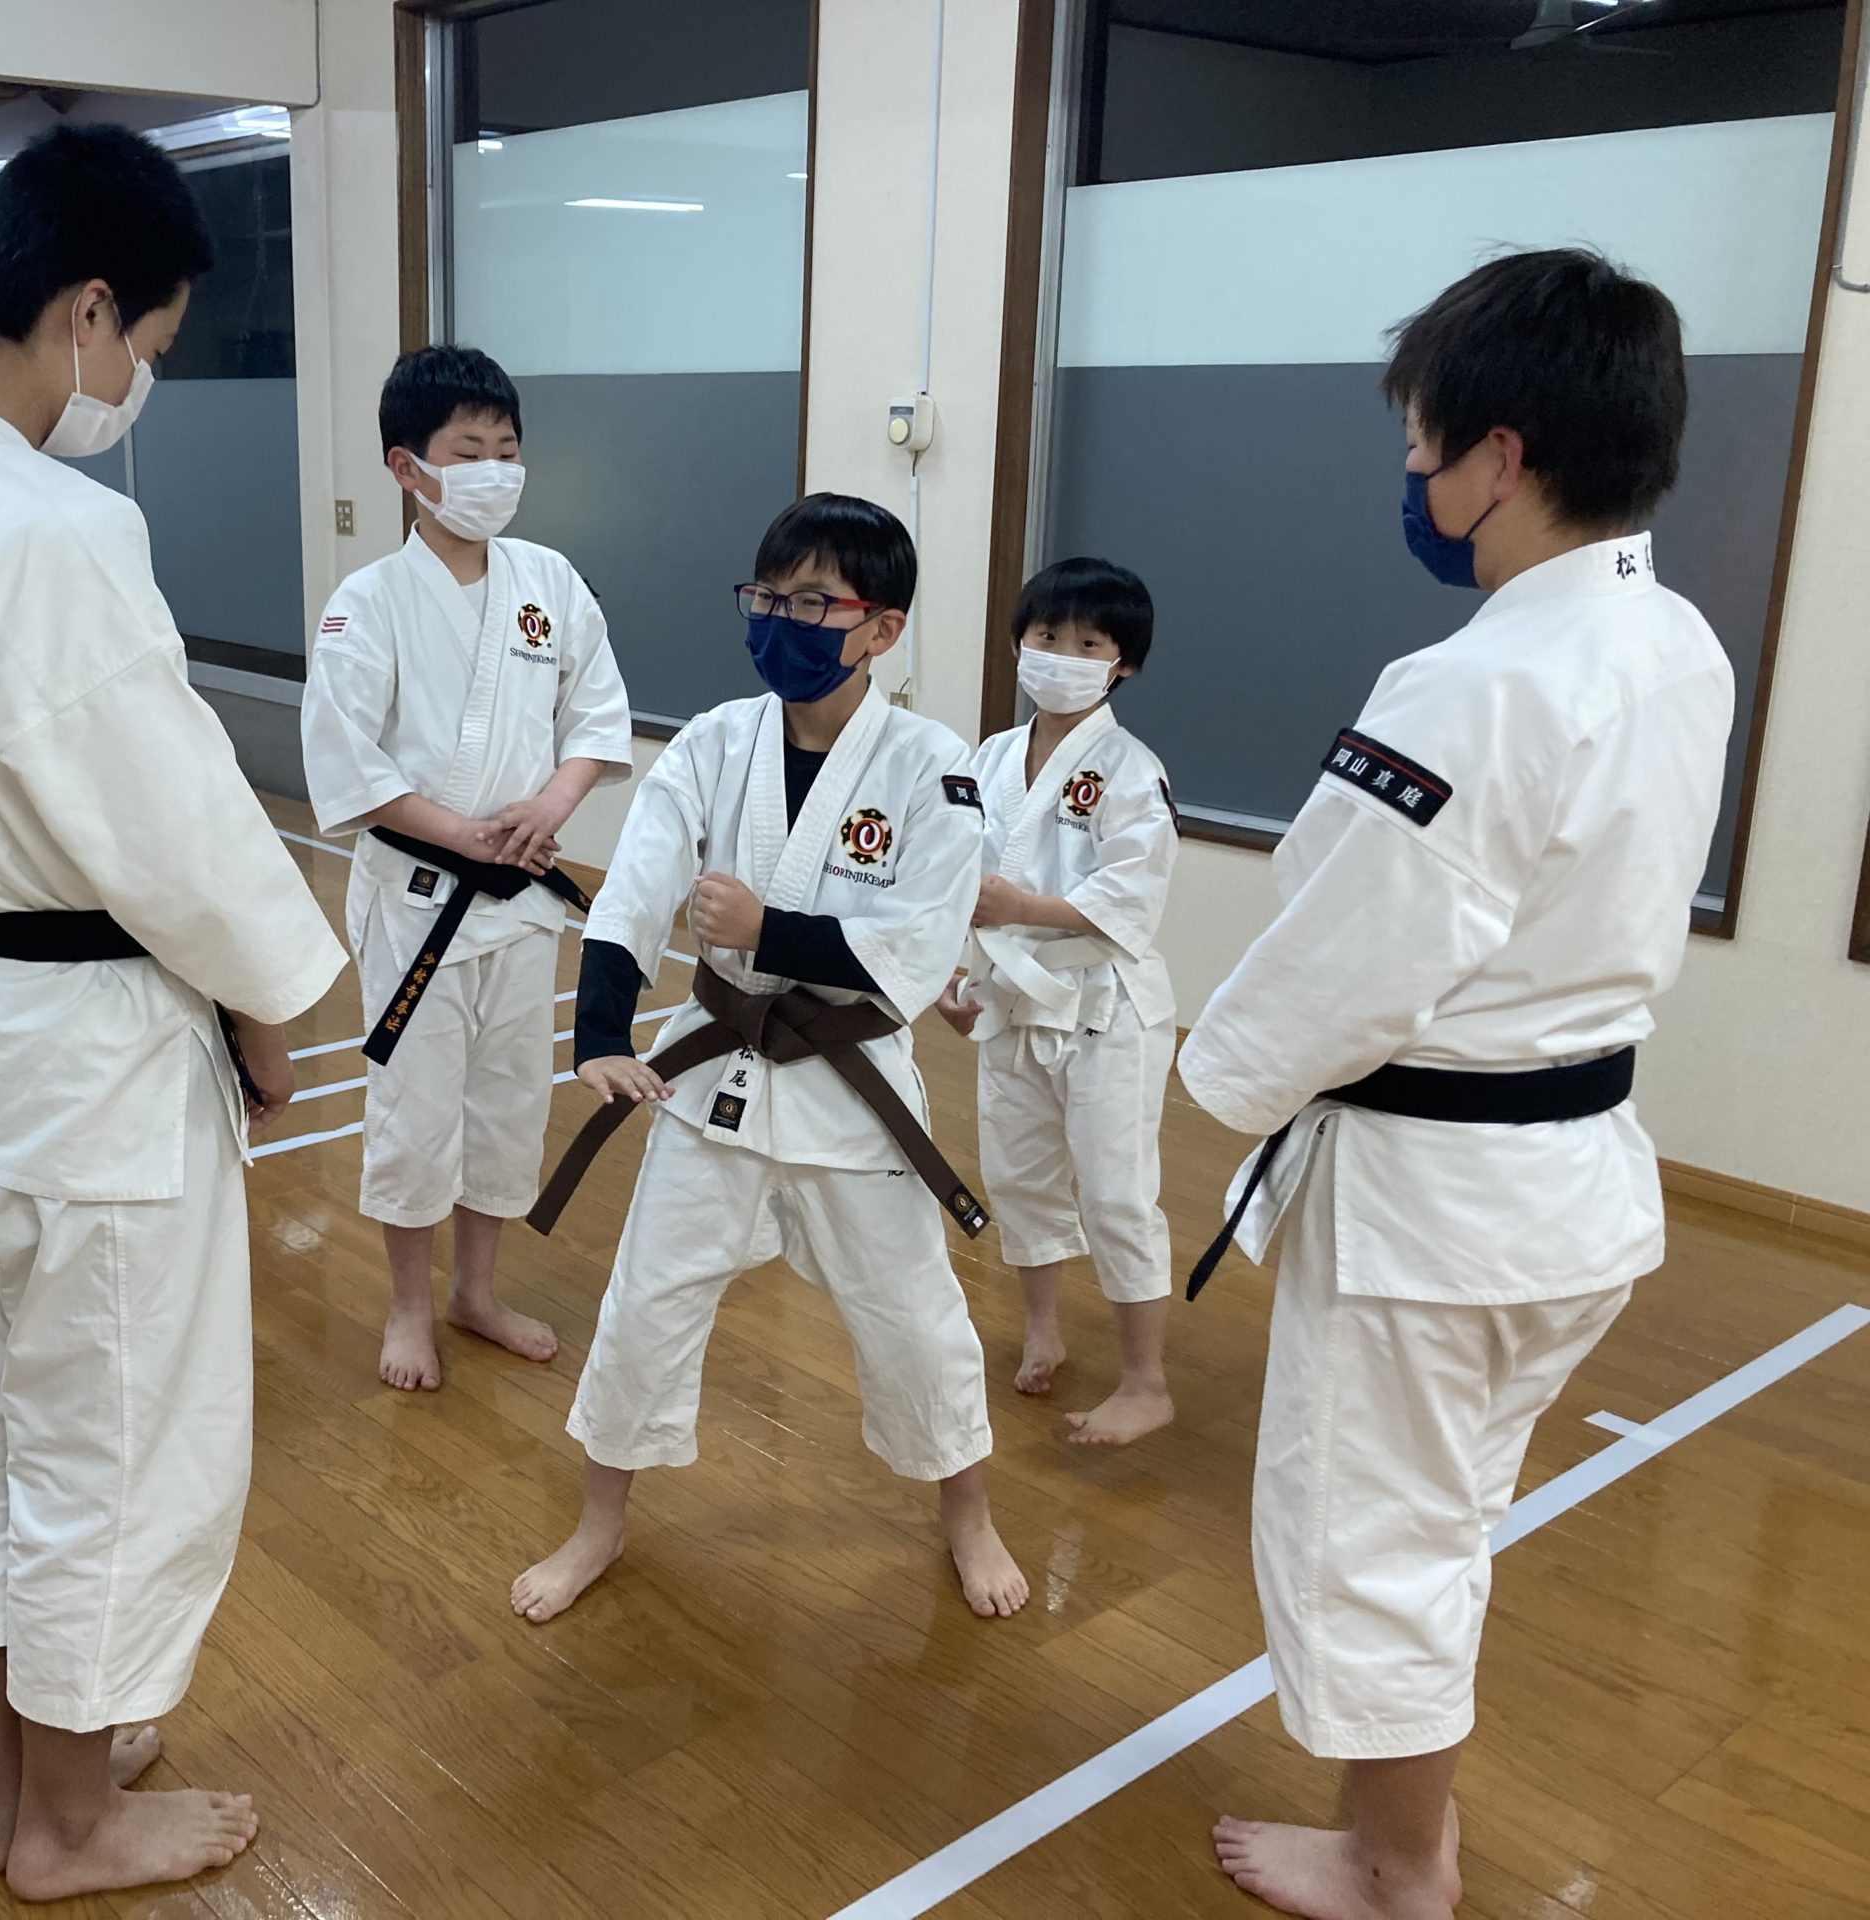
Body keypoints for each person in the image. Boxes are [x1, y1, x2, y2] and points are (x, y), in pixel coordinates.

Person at [0, 125, 346, 1903]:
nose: (140, 387)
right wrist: (272, 1003)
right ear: (90, 310)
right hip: (96, 1041)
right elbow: (165, 815)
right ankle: (67, 1825)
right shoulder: (54, 524)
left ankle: (8, 1794)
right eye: (154, 347)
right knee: (110, 1450)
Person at [1179, 249, 1731, 1919]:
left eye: (1421, 444)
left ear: (1502, 455)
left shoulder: (1474, 686)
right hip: (1569, 1191)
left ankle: (1398, 1864)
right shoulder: (1677, 640)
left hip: (1433, 1224)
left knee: (1372, 1543)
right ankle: (1405, 1830)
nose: (1411, 477)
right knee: (1445, 1513)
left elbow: (1347, 956)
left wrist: (1216, 1077)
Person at [513, 493, 1026, 1626]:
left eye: (812, 602)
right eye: (768, 597)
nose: (779, 620)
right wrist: (599, 1033)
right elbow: (635, 889)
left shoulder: (931, 765)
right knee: (645, 1303)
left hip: (851, 1093)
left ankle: (968, 1515)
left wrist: (768, 930)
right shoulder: (712, 743)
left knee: (916, 1322)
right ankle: (599, 1523)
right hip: (715, 1083)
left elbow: (924, 939)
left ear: (881, 628)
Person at [301, 344, 633, 1393]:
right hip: (419, 898)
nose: (494, 470)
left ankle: (476, 1292)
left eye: (507, 449)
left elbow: (594, 715)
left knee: (506, 1104)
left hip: (521, 897)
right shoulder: (367, 602)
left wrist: (553, 804)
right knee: (415, 1109)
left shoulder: (549, 581)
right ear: (407, 467)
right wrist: (459, 832)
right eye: (468, 451)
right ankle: (409, 1303)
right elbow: (347, 764)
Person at [937, 559, 1178, 1446]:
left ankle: (1147, 1382)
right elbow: (955, 872)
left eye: (1088, 643)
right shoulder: (992, 758)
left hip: (1103, 1008)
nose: (1062, 656)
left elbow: (1133, 896)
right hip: (1009, 999)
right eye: (1047, 636)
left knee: (1116, 1193)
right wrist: (954, 972)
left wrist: (1022, 910)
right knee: (1021, 1176)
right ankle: (1043, 1327)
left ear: (1124, 664)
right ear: (1018, 644)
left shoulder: (1129, 769)